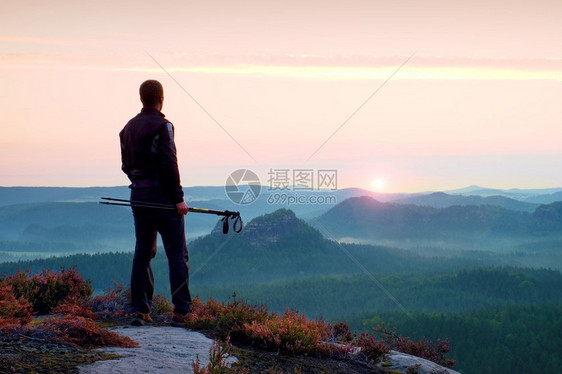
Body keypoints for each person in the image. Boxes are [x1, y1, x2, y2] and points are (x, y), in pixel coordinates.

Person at [119, 79, 192, 327]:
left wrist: (140, 184)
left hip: (138, 197)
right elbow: (170, 163)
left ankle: (140, 311)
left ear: (142, 99)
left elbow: (126, 165)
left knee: (142, 252)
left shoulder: (127, 128)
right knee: (176, 254)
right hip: (163, 199)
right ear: (162, 98)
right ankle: (181, 311)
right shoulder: (164, 126)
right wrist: (178, 198)